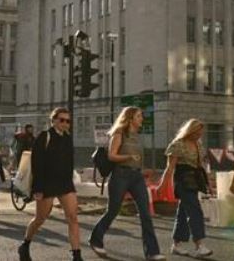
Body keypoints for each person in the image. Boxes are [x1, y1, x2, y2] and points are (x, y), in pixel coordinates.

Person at [89, 107, 165, 260]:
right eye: (139, 116)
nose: (141, 119)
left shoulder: (137, 136)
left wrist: (142, 171)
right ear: (130, 119)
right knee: (113, 211)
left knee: (145, 214)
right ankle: (95, 239)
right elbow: (112, 156)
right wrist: (128, 156)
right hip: (121, 175)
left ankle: (152, 252)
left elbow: (136, 159)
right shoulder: (119, 134)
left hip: (136, 177)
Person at [17, 107, 83, 261]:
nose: (65, 123)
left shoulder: (68, 138)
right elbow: (37, 164)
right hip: (47, 184)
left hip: (65, 184)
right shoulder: (44, 136)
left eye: (68, 121)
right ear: (53, 121)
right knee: (40, 218)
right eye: (62, 120)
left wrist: (72, 182)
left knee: (73, 217)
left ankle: (77, 255)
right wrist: (38, 189)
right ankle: (25, 244)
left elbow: (69, 162)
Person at [157, 118, 213, 258]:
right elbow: (169, 168)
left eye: (201, 132)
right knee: (195, 211)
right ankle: (199, 245)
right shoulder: (178, 144)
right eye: (198, 131)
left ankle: (176, 245)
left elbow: (201, 166)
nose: (200, 134)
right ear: (190, 130)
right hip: (182, 181)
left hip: (195, 180)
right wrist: (162, 185)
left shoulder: (198, 144)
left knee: (183, 213)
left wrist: (209, 184)